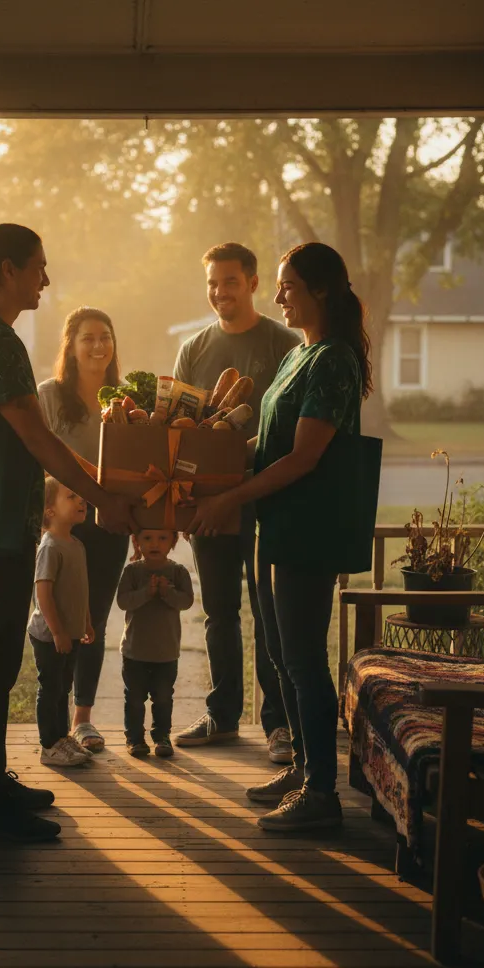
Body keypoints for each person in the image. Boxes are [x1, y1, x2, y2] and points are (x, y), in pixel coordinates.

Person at [0, 224, 133, 843]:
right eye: (38, 267)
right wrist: (103, 499)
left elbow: (34, 437)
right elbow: (38, 438)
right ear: (9, 270)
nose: (45, 279)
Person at [189, 242, 373, 833]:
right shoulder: (300, 355)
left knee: (303, 659)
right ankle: (300, 769)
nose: (277, 296)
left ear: (320, 290)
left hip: (307, 531)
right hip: (276, 525)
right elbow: (266, 444)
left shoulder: (334, 360)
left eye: (288, 286)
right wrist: (205, 462)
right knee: (280, 653)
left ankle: (322, 794)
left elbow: (301, 458)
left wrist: (228, 499)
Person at [172, 242, 301, 761]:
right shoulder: (194, 349)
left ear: (252, 282)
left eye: (229, 281)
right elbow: (179, 433)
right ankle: (222, 716)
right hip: (209, 505)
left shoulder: (284, 343)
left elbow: (291, 434)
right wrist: (185, 501)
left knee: (270, 614)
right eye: (212, 283)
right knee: (219, 613)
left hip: (270, 500)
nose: (219, 291)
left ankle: (279, 724)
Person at [38, 309, 129, 754]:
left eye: (105, 337)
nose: (98, 346)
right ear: (70, 347)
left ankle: (83, 720)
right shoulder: (49, 396)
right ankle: (53, 722)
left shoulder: (127, 399)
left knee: (94, 621)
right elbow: (37, 457)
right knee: (57, 620)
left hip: (110, 523)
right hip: (60, 530)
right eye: (88, 338)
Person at [28, 478, 94, 769]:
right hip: (49, 634)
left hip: (71, 632)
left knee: (64, 687)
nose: (82, 501)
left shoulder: (76, 545)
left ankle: (62, 738)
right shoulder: (50, 546)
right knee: (51, 687)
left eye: (81, 496)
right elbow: (43, 593)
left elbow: (80, 590)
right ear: (50, 511)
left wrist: (86, 622)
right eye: (71, 496)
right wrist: (58, 632)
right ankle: (49, 745)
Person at [117, 529, 195, 759]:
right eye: (147, 538)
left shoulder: (178, 572)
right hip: (134, 651)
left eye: (162, 538)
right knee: (134, 698)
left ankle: (162, 737)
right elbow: (123, 601)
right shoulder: (132, 571)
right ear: (136, 541)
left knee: (163, 698)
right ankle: (135, 738)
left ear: (173, 541)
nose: (155, 544)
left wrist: (167, 592)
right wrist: (147, 592)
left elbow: (186, 601)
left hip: (166, 652)